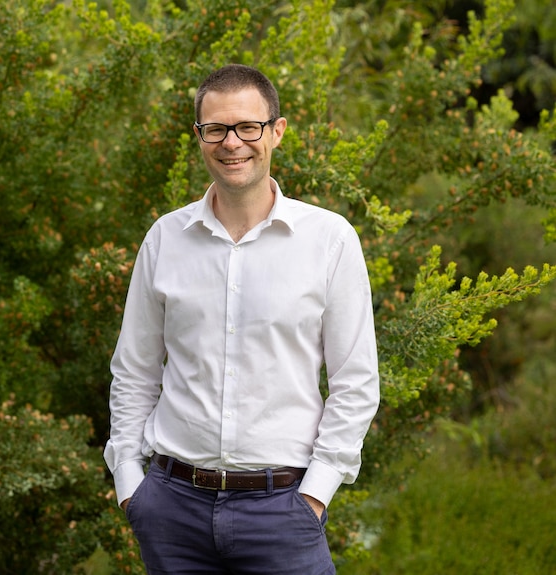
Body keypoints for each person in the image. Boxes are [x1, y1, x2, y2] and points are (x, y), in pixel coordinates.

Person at [103, 64, 380, 574]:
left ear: (276, 130)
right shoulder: (165, 238)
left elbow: (356, 382)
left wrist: (316, 494)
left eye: (247, 127)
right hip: (171, 510)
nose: (232, 143)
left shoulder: (330, 240)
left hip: (284, 510)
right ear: (200, 137)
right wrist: (128, 482)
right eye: (216, 129)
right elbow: (134, 370)